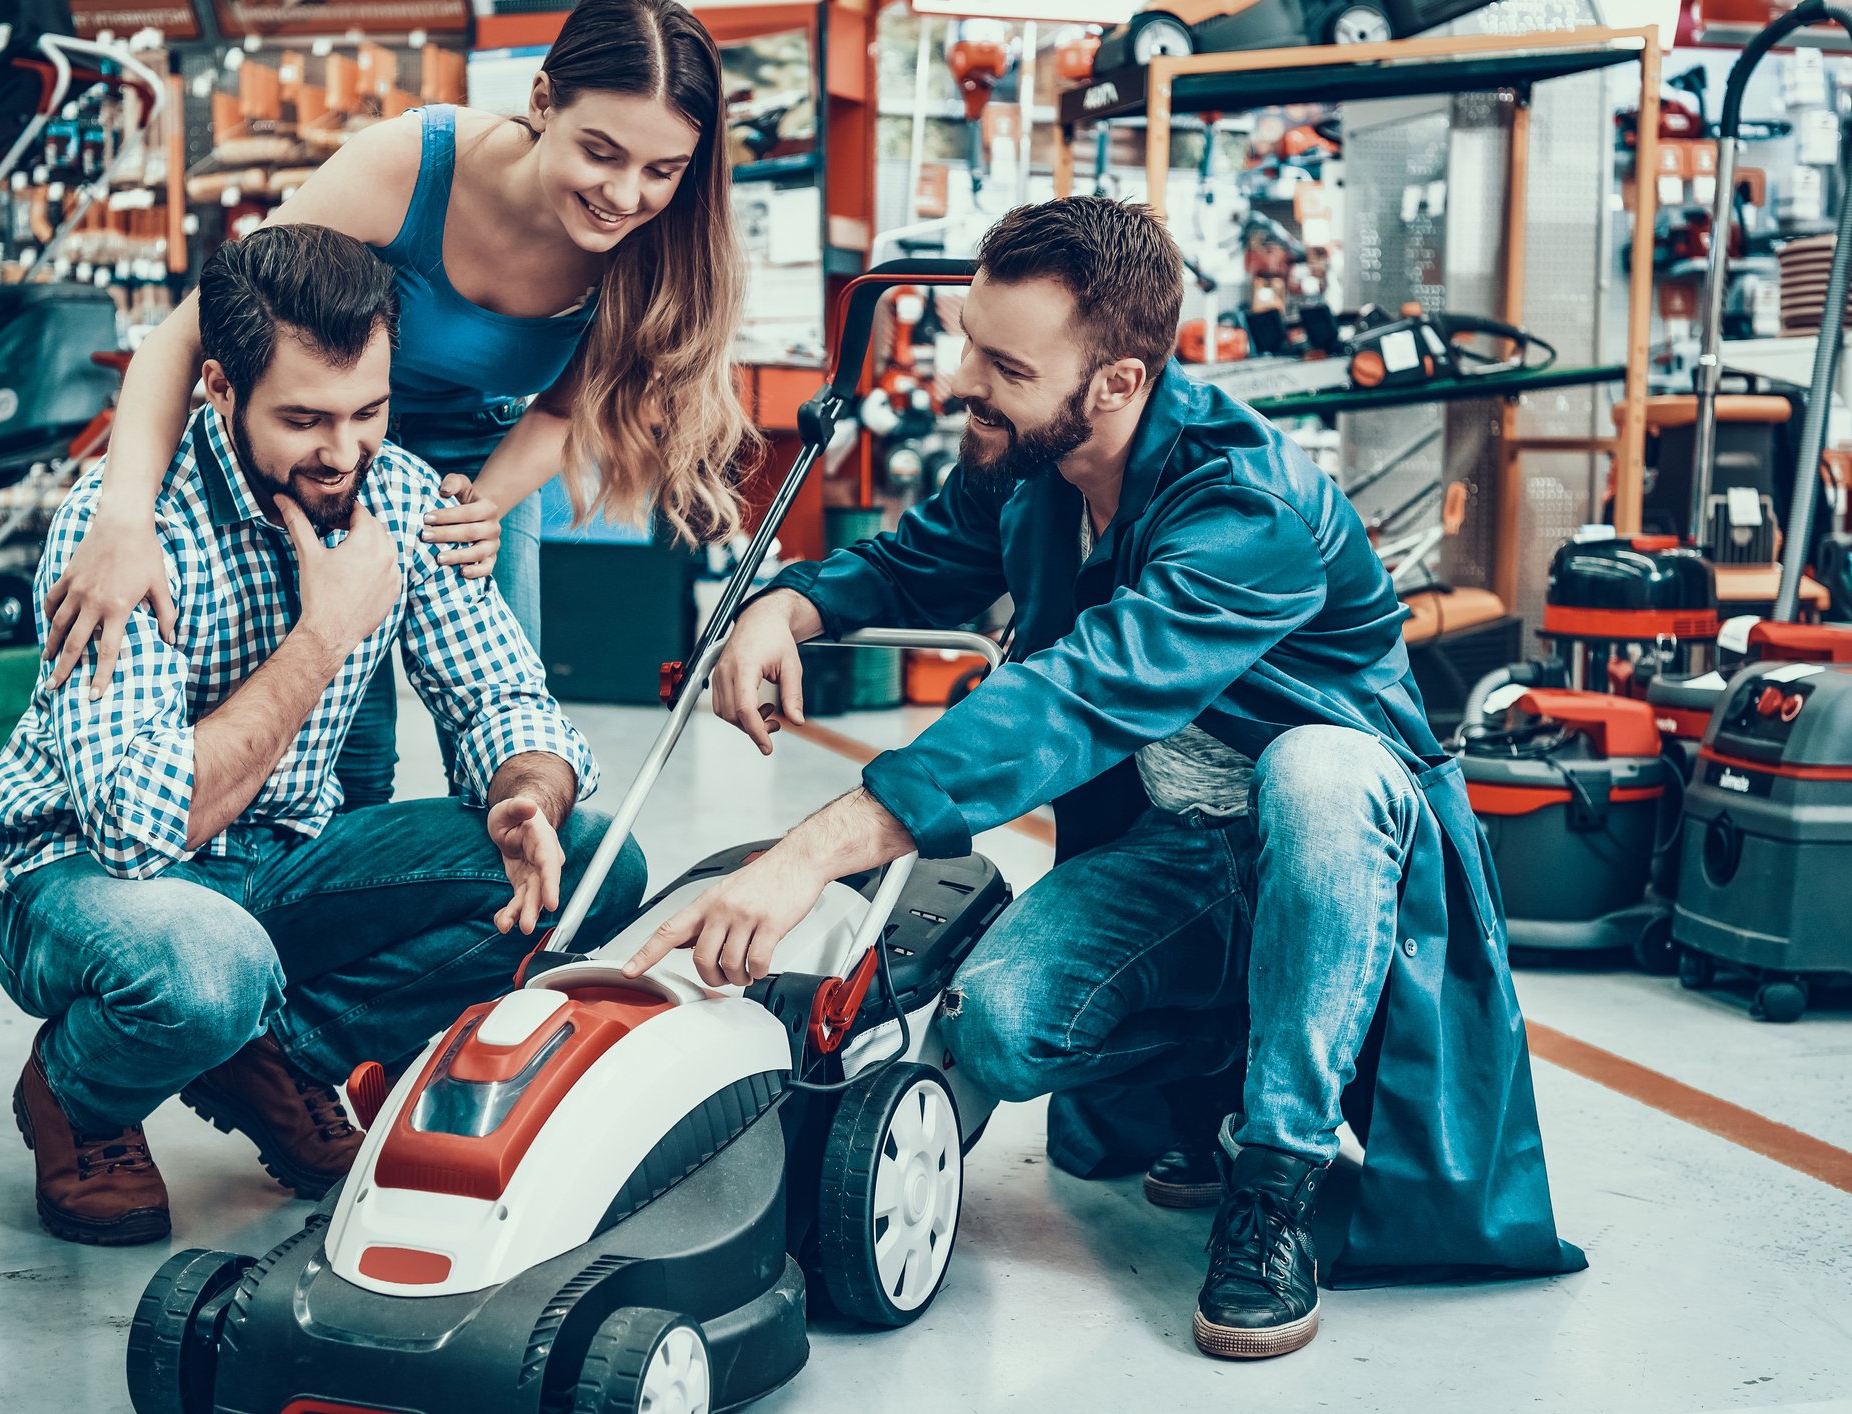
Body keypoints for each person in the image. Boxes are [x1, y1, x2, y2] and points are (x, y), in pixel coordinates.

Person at [623, 197, 1583, 1358]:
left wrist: (808, 853)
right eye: (969, 344)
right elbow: (917, 560)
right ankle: (1218, 1074)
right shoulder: (1033, 463)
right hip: (1179, 852)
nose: (962, 383)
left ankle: (1274, 1184)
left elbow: (1080, 692)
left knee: (1318, 770)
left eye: (1006, 367)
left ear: (1119, 381)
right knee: (996, 1027)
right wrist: (790, 602)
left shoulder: (1249, 506)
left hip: (1344, 857)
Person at [0, 224, 647, 1246]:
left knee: (592, 864)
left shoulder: (399, 494)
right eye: (303, 419)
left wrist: (525, 793)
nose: (341, 452)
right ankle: (79, 1096)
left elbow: (502, 696)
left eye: (367, 411)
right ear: (219, 387)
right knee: (210, 968)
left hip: (278, 863)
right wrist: (325, 633)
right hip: (76, 878)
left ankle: (277, 1053)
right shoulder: (123, 533)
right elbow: (141, 831)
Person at [38, 0, 754, 808]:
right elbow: (186, 336)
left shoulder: (664, 249)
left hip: (484, 454)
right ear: (543, 100)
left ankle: (491, 867)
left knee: (503, 711)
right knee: (343, 724)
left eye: (663, 170)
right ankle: (334, 855)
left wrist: (480, 508)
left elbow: (559, 411)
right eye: (600, 152)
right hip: (329, 441)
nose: (624, 194)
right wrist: (122, 519)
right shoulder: (410, 163)